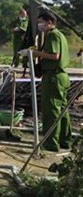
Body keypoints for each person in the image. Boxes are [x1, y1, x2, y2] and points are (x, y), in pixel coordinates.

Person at [22, 12, 71, 152]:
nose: (40, 25)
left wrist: (35, 53)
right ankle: (65, 140)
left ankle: (51, 143)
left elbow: (55, 55)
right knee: (62, 110)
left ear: (49, 22)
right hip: (61, 76)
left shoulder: (53, 35)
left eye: (41, 22)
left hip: (53, 77)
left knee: (51, 111)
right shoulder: (60, 35)